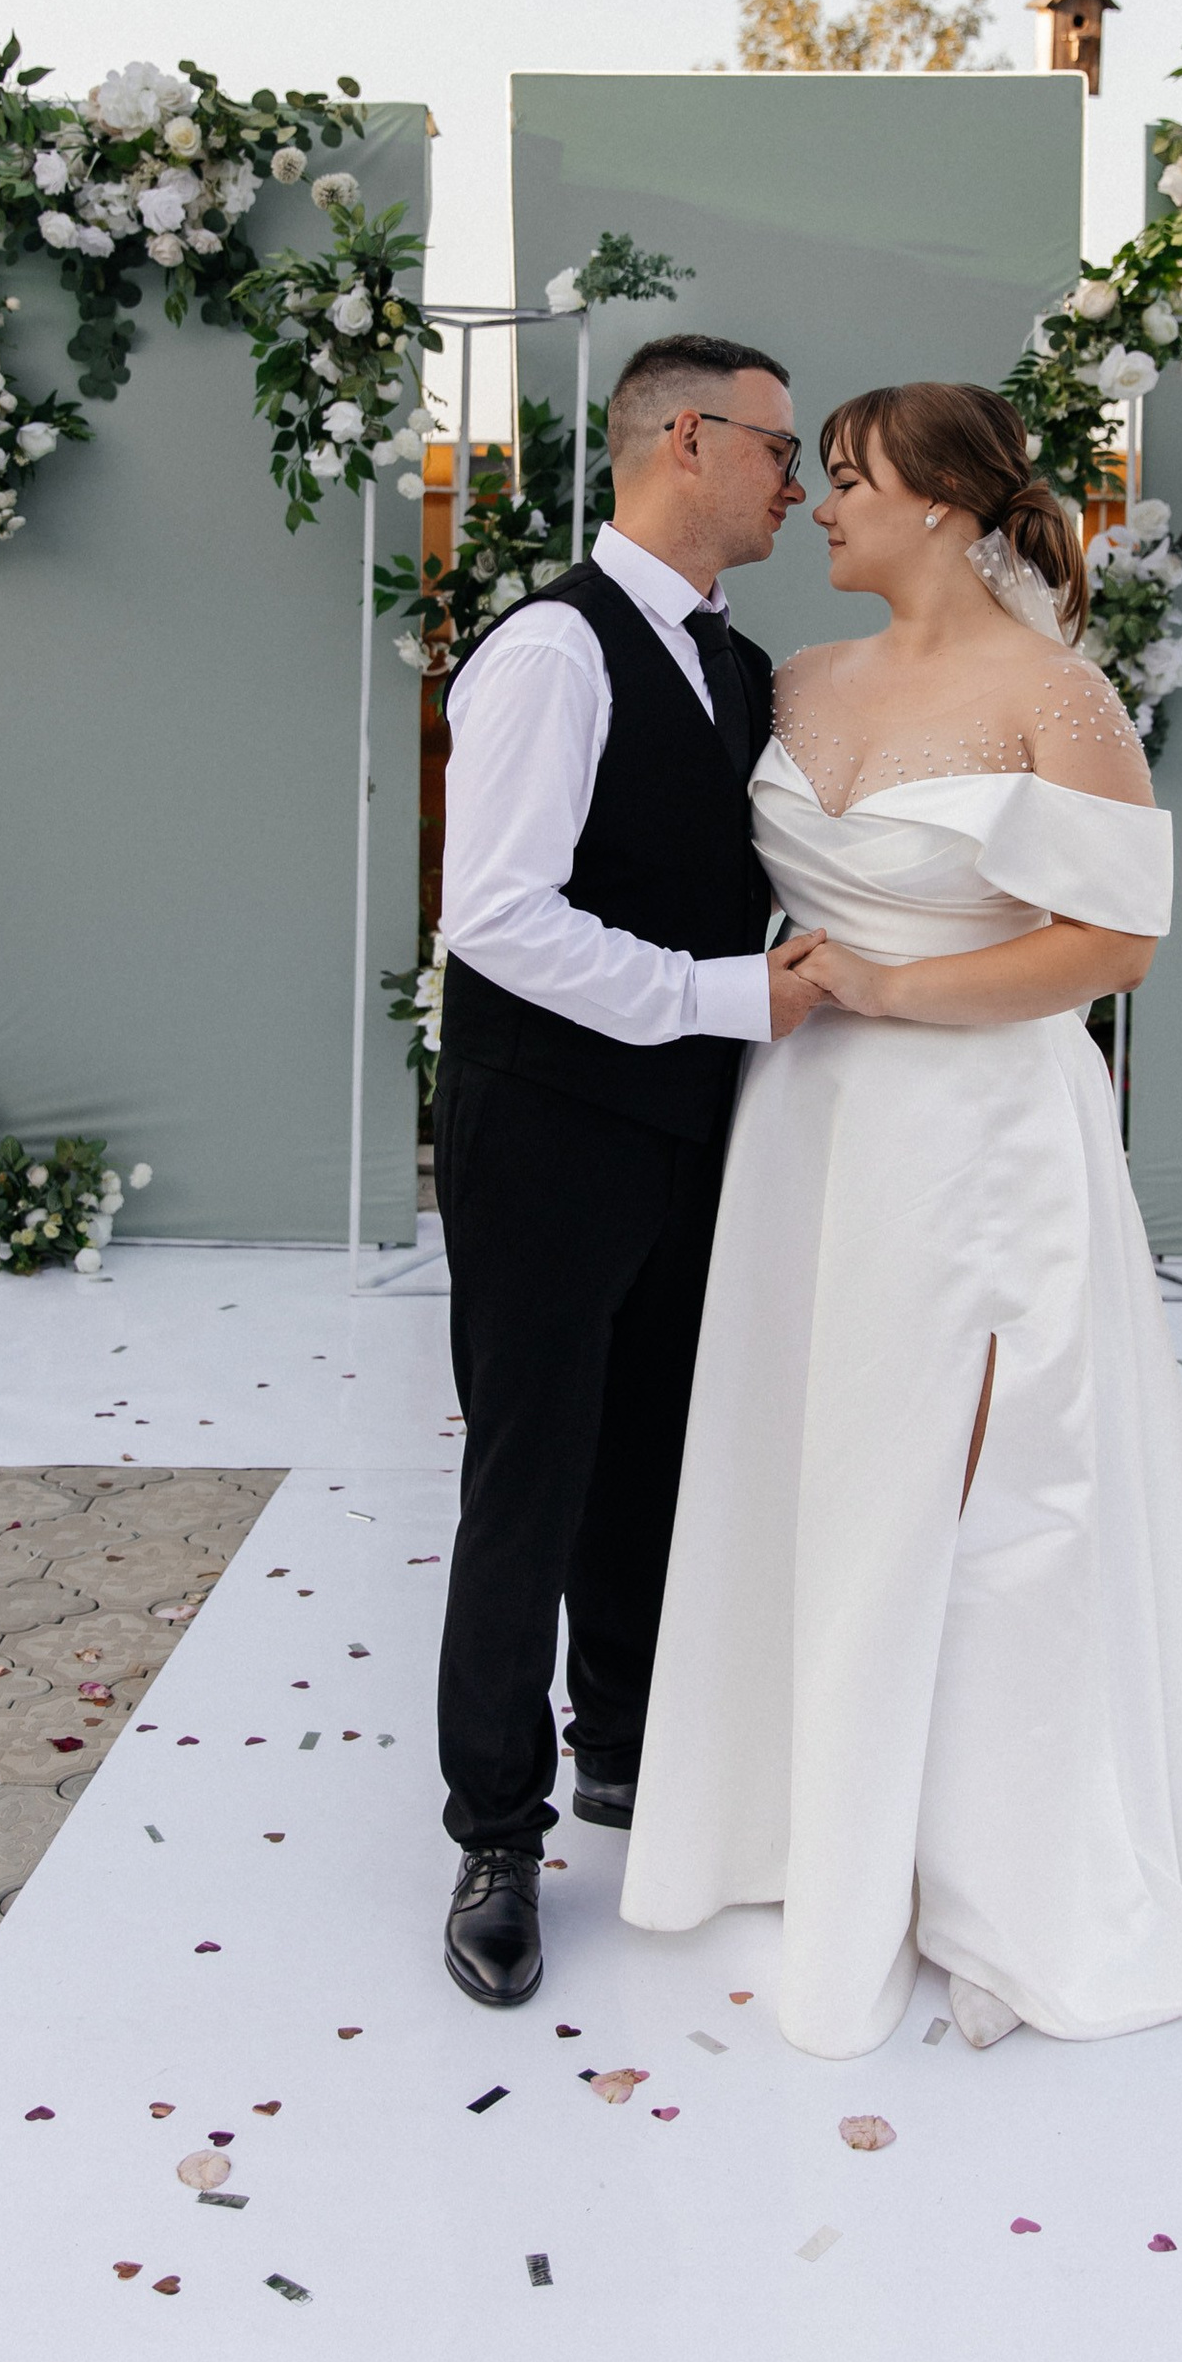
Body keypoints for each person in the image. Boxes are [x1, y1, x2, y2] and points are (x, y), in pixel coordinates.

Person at [621, 379, 1182, 2057]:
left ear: (949, 504)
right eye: (809, 476)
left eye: (850, 479)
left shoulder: (1058, 695)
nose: (820, 504)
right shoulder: (792, 680)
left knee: (972, 1486)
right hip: (804, 1126)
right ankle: (806, 1814)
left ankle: (985, 1849)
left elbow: (1112, 947)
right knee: (810, 1457)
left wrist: (898, 980)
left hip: (977, 1133)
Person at [431, 331, 826, 2008]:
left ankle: (628, 1747)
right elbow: (496, 919)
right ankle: (496, 1836)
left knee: (655, 1451)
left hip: (690, 1126)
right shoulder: (550, 650)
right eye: (778, 450)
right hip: (546, 1130)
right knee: (532, 1475)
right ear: (685, 437)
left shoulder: (741, 672)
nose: (796, 485)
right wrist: (725, 998)